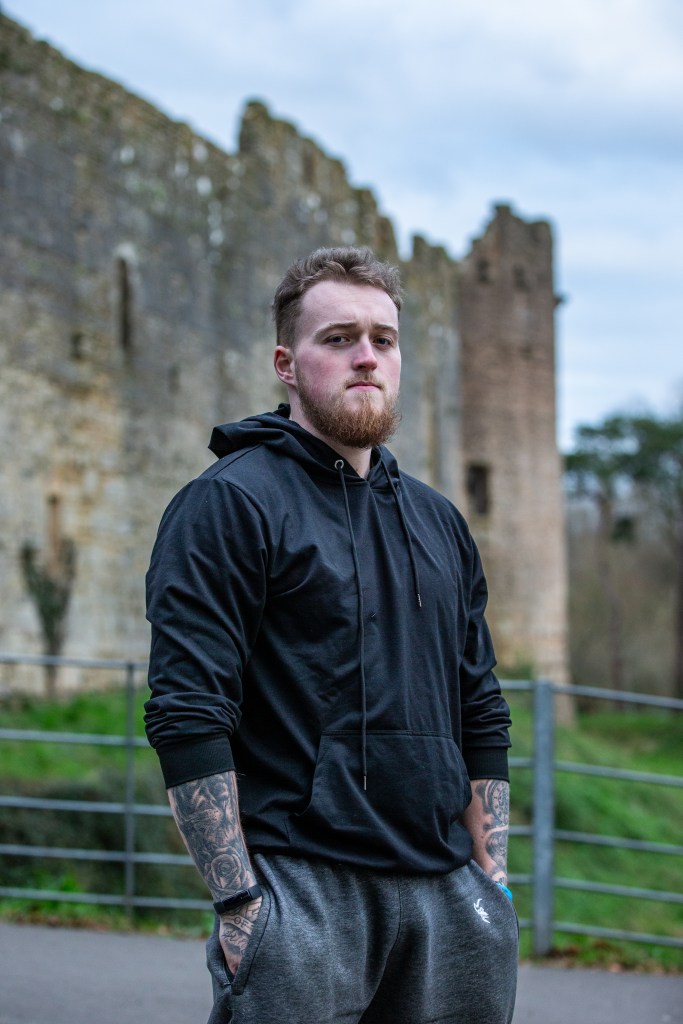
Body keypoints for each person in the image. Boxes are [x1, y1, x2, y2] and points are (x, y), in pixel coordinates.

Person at [145, 246, 518, 1024]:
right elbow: (189, 711)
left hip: (448, 895)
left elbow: (478, 706)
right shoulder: (229, 504)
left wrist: (492, 874)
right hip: (300, 893)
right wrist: (241, 902)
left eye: (382, 339)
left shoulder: (437, 521)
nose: (365, 357)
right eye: (338, 337)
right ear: (286, 362)